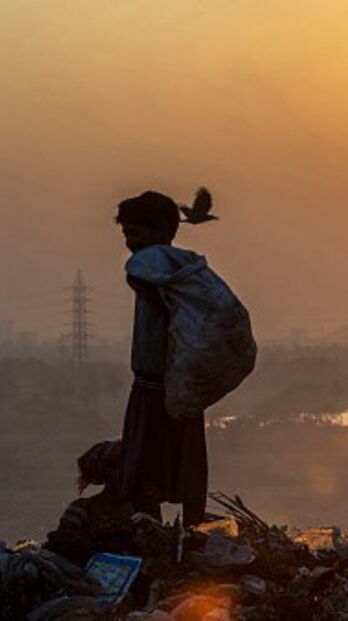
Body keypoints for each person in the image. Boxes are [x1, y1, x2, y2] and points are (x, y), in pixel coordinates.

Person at [115, 191, 208, 526]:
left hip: (159, 387)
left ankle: (156, 535)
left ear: (162, 231)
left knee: (144, 474)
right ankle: (182, 534)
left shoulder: (153, 270)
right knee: (184, 467)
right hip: (175, 386)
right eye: (126, 234)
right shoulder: (184, 267)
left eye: (135, 233)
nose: (130, 242)